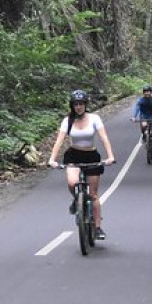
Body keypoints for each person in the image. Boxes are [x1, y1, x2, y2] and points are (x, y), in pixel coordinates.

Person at [47, 89, 116, 239]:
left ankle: (97, 227)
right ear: (72, 106)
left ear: (85, 104)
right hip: (73, 155)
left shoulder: (94, 118)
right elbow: (59, 141)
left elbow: (104, 138)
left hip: (91, 155)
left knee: (93, 194)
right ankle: (77, 200)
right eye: (75, 104)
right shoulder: (68, 120)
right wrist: (52, 159)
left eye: (81, 104)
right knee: (73, 183)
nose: (78, 107)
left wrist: (110, 156)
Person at [132, 84, 152, 152]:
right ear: (143, 93)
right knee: (144, 126)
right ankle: (144, 135)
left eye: (148, 91)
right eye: (145, 91)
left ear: (151, 92)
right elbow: (136, 108)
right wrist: (134, 117)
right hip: (144, 116)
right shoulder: (141, 100)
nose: (147, 93)